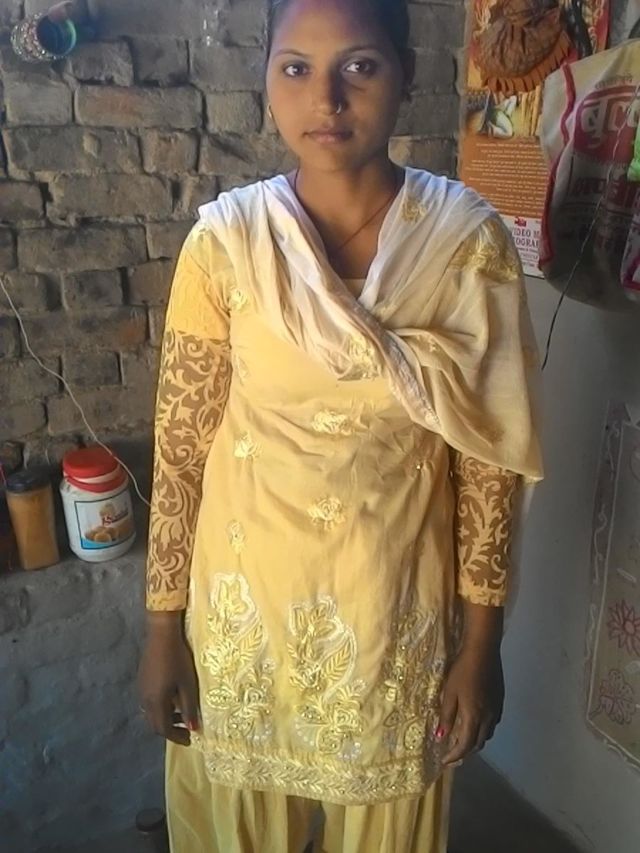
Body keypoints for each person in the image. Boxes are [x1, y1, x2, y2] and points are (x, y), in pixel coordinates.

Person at [138, 0, 544, 851]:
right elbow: (180, 451)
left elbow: (489, 465)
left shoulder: (466, 246)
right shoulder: (227, 244)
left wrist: (482, 643)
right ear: (267, 79)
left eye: (359, 66)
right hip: (243, 617)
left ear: (407, 74)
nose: (325, 98)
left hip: (390, 617)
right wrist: (163, 629)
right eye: (296, 68)